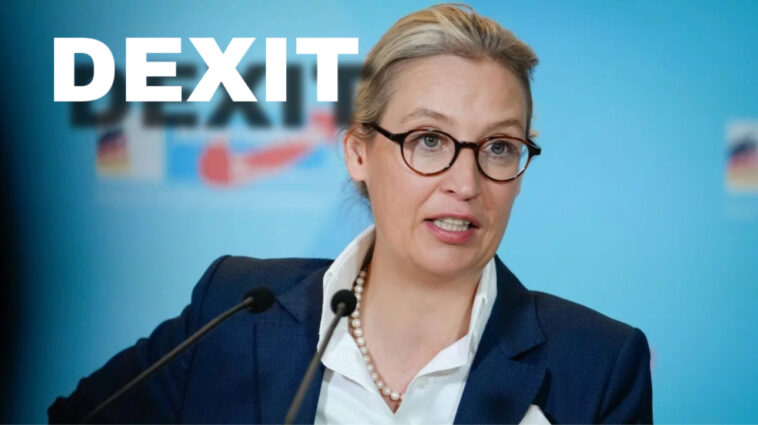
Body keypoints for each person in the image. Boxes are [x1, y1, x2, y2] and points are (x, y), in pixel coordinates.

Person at [48, 3, 653, 424]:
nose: (466, 183)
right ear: (359, 153)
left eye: (498, 147)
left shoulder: (597, 363)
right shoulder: (236, 308)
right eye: (429, 140)